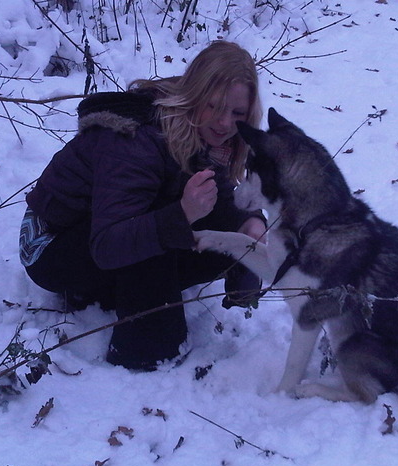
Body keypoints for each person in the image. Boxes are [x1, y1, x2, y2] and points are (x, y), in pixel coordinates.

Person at [19, 41, 266, 371]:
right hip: (50, 246)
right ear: (195, 94)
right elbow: (109, 243)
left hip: (106, 229)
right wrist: (181, 215)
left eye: (237, 113)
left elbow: (219, 195)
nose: (224, 123)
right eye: (214, 106)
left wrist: (249, 224)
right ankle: (148, 352)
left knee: (219, 234)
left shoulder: (201, 131)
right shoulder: (137, 140)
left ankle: (112, 293)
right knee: (162, 224)